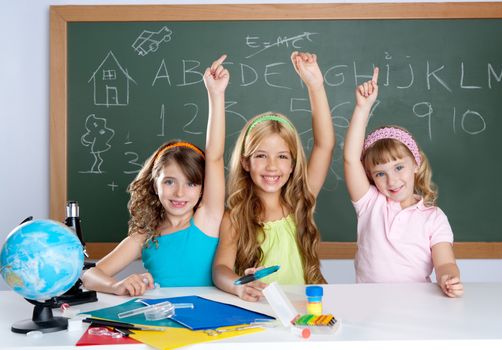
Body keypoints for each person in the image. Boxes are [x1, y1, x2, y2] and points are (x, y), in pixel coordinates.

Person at [81, 55, 229, 296]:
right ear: (154, 183)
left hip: (208, 326)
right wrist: (116, 285)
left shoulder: (207, 219)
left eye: (191, 183)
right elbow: (90, 276)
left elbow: (214, 156)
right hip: (162, 323)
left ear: (203, 189)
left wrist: (216, 94)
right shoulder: (144, 236)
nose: (180, 193)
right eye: (170, 182)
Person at [213, 51, 335, 302]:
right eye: (260, 156)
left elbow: (324, 145)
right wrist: (238, 284)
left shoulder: (300, 200)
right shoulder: (235, 217)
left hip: (303, 312)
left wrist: (315, 85)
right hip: (259, 313)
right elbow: (219, 270)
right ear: (245, 162)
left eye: (282, 156)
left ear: (292, 164)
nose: (272, 166)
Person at [343, 67, 464, 297]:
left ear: (415, 164)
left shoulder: (433, 217)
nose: (392, 180)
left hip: (417, 304)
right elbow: (350, 158)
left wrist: (449, 277)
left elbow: (445, 262)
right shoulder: (370, 203)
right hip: (369, 303)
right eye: (380, 173)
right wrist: (362, 108)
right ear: (371, 177)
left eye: (399, 167)